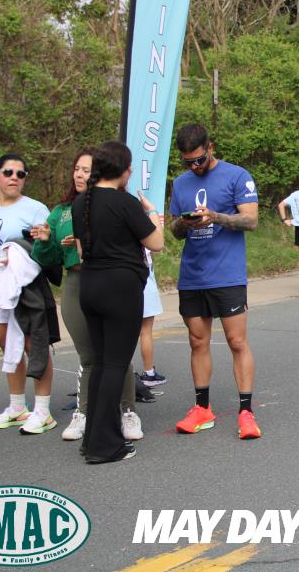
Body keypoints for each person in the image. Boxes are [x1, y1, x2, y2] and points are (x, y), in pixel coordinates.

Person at [31, 149, 144, 442]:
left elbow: (139, 241)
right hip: (77, 283)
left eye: (87, 169)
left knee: (117, 354)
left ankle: (127, 410)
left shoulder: (114, 203)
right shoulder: (62, 212)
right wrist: (46, 242)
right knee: (89, 355)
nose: (81, 174)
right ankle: (85, 412)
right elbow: (49, 258)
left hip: (111, 282)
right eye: (77, 169)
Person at [169, 123, 261, 439]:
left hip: (227, 274)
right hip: (192, 276)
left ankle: (246, 412)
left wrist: (216, 217)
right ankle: (202, 409)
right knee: (197, 341)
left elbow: (251, 220)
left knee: (237, 342)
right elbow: (174, 230)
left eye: (199, 160)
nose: (194, 167)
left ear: (210, 148)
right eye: (188, 162)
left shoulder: (237, 175)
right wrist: (184, 224)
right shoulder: (180, 183)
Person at [73, 141, 163, 463]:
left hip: (90, 285)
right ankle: (104, 446)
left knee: (100, 363)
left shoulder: (81, 202)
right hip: (120, 288)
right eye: (129, 167)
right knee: (115, 364)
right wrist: (152, 213)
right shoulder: (126, 203)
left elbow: (82, 251)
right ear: (123, 170)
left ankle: (93, 438)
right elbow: (157, 242)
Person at [0, 154, 54, 434]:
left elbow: (47, 247)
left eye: (20, 174)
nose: (14, 178)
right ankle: (17, 407)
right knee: (9, 349)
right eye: (8, 172)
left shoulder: (36, 209)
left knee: (34, 347)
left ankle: (43, 411)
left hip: (25, 292)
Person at [138, 249, 167, 387]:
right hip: (143, 277)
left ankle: (122, 374)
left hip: (121, 278)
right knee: (145, 331)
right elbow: (156, 247)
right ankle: (149, 373)